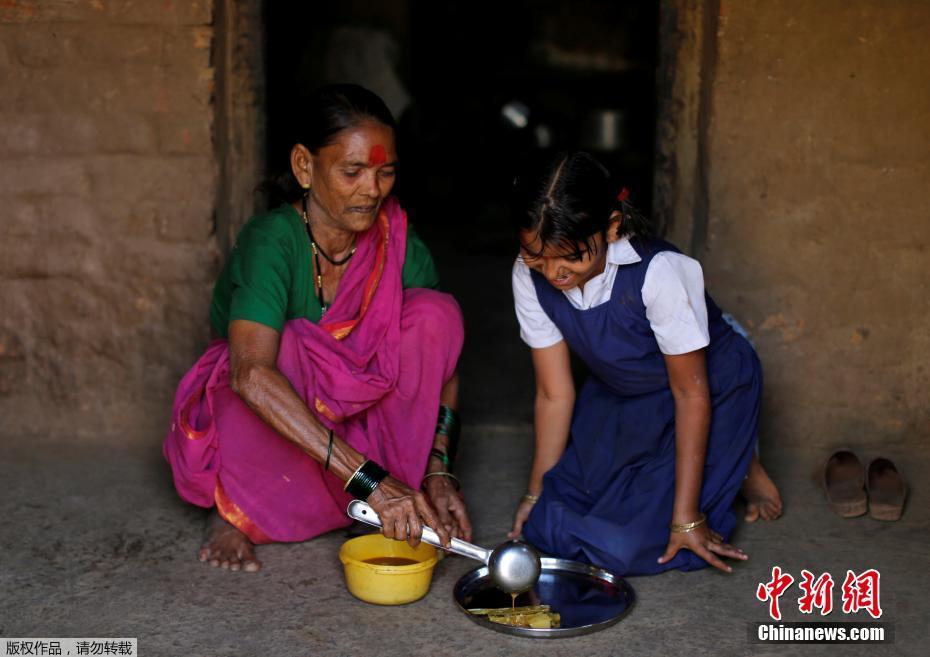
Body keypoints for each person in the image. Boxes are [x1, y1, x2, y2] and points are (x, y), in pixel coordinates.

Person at [164, 84, 472, 573]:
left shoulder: (394, 235)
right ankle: (236, 512)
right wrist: (371, 481)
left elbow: (443, 361)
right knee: (282, 352)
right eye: (353, 171)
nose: (372, 189)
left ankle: (376, 502)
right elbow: (250, 376)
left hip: (352, 438)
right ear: (304, 166)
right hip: (277, 423)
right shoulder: (271, 242)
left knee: (435, 316)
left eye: (385, 172)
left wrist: (439, 470)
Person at [507, 152, 781, 576]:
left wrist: (686, 519)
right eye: (537, 258)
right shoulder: (530, 275)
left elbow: (691, 392)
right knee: (548, 527)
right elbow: (553, 392)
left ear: (612, 226)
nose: (553, 274)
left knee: (624, 544)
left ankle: (741, 459)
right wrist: (533, 494)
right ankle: (734, 459)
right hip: (625, 394)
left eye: (571, 258)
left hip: (707, 388)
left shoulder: (659, 273)